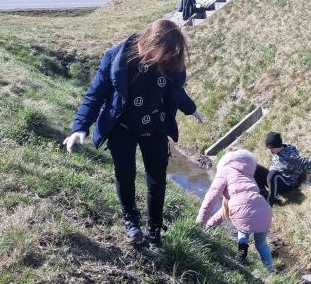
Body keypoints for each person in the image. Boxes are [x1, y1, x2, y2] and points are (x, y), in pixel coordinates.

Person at [62, 19, 203, 251]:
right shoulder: (117, 57)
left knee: (157, 181)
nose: (167, 59)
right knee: (125, 174)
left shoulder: (169, 62)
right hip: (122, 126)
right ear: (151, 42)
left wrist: (191, 109)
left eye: (172, 55)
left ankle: (154, 233)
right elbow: (95, 93)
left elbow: (175, 90)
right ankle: (131, 221)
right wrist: (80, 126)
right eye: (165, 53)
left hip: (155, 126)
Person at [196, 149, 274, 271]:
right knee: (261, 244)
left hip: (243, 212)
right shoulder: (247, 174)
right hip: (264, 209)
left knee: (243, 228)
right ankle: (270, 271)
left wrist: (201, 224)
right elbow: (225, 210)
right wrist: (209, 224)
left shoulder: (225, 171)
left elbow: (210, 198)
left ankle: (241, 257)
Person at [255, 131, 311, 205]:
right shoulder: (279, 149)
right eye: (268, 148)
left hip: (286, 184)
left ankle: (270, 202)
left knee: (273, 174)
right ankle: (265, 195)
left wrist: (308, 181)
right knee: (255, 167)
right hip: (274, 179)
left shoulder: (290, 157)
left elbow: (308, 162)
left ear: (278, 145)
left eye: (271, 148)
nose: (269, 150)